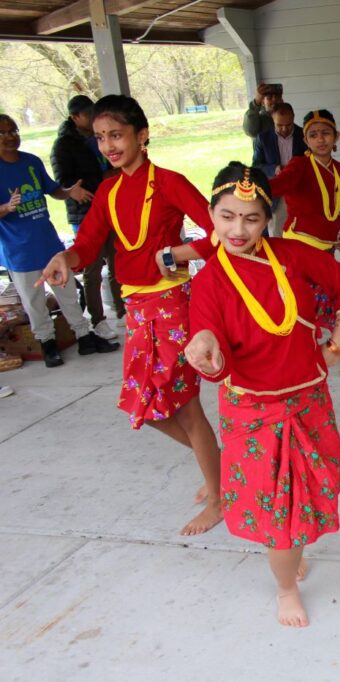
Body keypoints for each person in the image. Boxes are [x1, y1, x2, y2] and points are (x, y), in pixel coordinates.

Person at [185, 162, 340, 628]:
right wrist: (204, 349)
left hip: (308, 400)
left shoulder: (292, 255)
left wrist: (339, 339)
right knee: (278, 506)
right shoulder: (208, 281)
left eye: (251, 218)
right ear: (210, 216)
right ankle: (285, 587)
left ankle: (290, 547)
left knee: (316, 486)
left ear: (268, 220)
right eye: (226, 217)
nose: (237, 229)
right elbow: (209, 341)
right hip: (252, 408)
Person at [37, 95, 222, 536]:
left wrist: (176, 252)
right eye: (100, 138)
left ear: (142, 136)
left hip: (174, 306)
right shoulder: (108, 190)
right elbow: (88, 242)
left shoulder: (171, 183)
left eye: (116, 135)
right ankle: (218, 462)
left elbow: (220, 234)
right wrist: (67, 257)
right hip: (137, 310)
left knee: (185, 407)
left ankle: (219, 497)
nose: (108, 145)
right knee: (147, 406)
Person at [0, 114, 120, 368]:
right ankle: (47, 344)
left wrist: (69, 192)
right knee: (34, 301)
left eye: (14, 130)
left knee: (66, 293)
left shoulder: (30, 161)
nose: (10, 137)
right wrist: (7, 208)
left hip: (47, 242)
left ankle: (84, 336)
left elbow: (51, 189)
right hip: (19, 250)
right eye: (3, 133)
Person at [270, 109, 340, 387]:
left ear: (336, 137)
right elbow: (278, 186)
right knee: (293, 309)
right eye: (313, 134)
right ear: (305, 139)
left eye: (326, 133)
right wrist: (253, 184)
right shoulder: (299, 166)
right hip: (296, 251)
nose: (320, 139)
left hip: (325, 252)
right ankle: (291, 366)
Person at [50, 94, 125, 337]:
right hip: (84, 212)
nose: (94, 118)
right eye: (88, 114)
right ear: (75, 117)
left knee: (117, 261)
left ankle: (123, 311)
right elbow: (63, 181)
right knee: (91, 268)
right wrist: (83, 187)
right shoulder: (64, 145)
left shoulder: (95, 138)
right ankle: (98, 319)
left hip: (109, 206)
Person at [252, 102, 307, 237]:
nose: (284, 129)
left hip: (300, 190)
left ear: (294, 118)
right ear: (272, 119)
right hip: (277, 192)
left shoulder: (305, 136)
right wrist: (275, 169)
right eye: (279, 125)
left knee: (302, 231)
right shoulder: (263, 138)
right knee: (277, 232)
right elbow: (256, 166)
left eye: (288, 125)